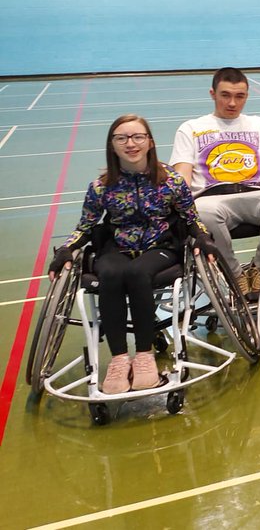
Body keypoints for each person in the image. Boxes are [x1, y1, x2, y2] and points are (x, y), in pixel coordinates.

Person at [49, 115, 220, 395]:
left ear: (150, 142)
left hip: (160, 247)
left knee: (137, 272)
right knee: (111, 272)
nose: (131, 143)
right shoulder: (101, 187)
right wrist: (67, 249)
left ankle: (144, 356)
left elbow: (191, 219)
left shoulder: (171, 180)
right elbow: (86, 226)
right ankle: (118, 359)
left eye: (138, 137)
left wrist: (203, 237)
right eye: (122, 138)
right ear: (112, 145)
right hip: (117, 247)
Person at [170, 67, 260, 298]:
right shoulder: (191, 128)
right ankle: (235, 274)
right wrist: (182, 211)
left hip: (257, 193)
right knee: (201, 212)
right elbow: (182, 175)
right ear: (212, 94)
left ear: (246, 96)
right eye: (225, 95)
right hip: (212, 198)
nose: (232, 103)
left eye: (239, 96)